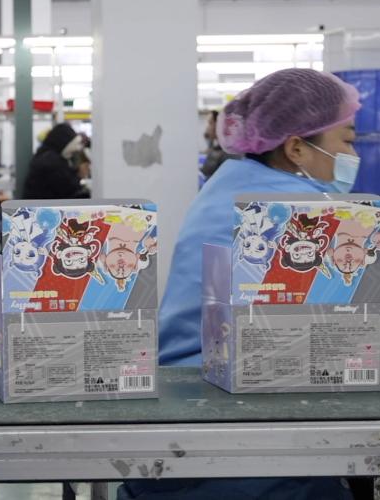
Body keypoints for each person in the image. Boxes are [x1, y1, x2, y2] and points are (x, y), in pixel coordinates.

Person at [120, 68, 361, 500]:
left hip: (183, 396)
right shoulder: (296, 212)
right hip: (242, 424)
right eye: (347, 140)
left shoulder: (228, 185)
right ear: (296, 148)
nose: (352, 154)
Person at [22, 122, 89, 200]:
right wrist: (79, 175)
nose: (76, 150)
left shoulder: (47, 156)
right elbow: (67, 187)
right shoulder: (50, 162)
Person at [200, 110, 238, 181]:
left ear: (218, 125)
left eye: (210, 123)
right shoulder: (218, 148)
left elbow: (206, 172)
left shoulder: (228, 152)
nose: (207, 128)